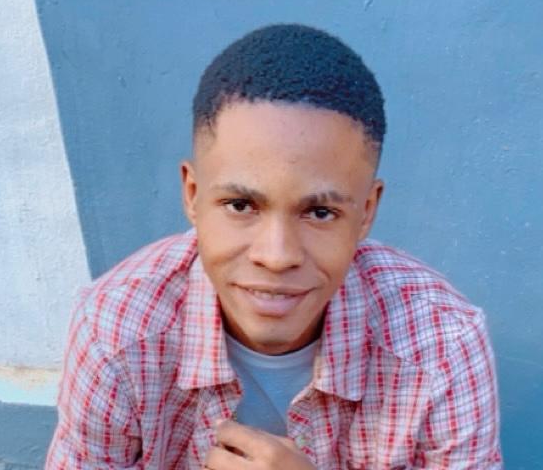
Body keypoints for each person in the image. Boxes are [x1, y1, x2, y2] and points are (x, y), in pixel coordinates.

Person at [46, 24, 502, 469]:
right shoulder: (116, 331)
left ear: (366, 212)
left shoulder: (440, 342)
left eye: (319, 213)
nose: (277, 256)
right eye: (241, 205)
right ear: (192, 195)